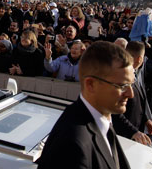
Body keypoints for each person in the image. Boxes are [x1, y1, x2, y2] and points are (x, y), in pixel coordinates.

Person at [38, 41, 133, 169]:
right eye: (122, 86)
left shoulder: (102, 122)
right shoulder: (72, 145)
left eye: (131, 85)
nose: (130, 94)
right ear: (90, 84)